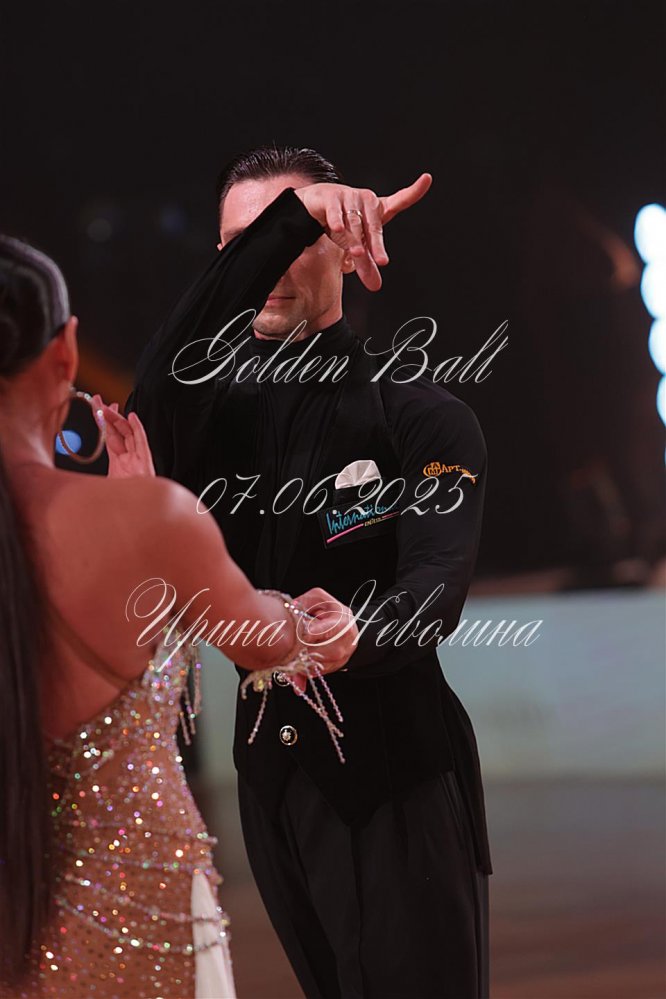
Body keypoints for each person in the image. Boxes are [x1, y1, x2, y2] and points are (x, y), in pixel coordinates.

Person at [126, 148, 492, 998]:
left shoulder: (419, 413)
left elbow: (438, 579)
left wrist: (361, 633)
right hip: (273, 785)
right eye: (243, 246)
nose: (267, 265)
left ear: (348, 250)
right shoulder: (201, 419)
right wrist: (293, 217)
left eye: (295, 239)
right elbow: (157, 388)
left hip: (401, 780)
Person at [0, 234, 357, 998]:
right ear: (66, 351)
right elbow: (270, 641)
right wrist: (316, 620)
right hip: (143, 917)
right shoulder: (148, 520)